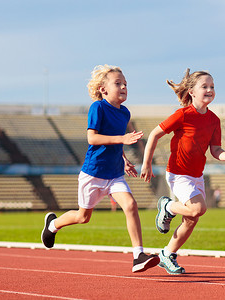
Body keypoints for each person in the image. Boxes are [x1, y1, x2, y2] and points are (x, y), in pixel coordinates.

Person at [41, 64, 159, 273]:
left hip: (114, 174)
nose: (123, 87)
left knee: (130, 205)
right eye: (118, 83)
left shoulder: (125, 114)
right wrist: (123, 139)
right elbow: (92, 137)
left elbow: (115, 142)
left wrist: (123, 159)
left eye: (125, 84)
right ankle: (52, 225)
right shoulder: (98, 108)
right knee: (82, 217)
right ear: (103, 89)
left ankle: (138, 255)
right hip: (93, 173)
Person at [140, 68, 225, 275]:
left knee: (192, 219)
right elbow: (154, 134)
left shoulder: (214, 120)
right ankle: (168, 207)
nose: (210, 90)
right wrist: (146, 163)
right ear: (192, 92)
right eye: (204, 86)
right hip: (178, 173)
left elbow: (215, 150)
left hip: (197, 175)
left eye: (212, 86)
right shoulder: (183, 115)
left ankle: (167, 254)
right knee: (198, 209)